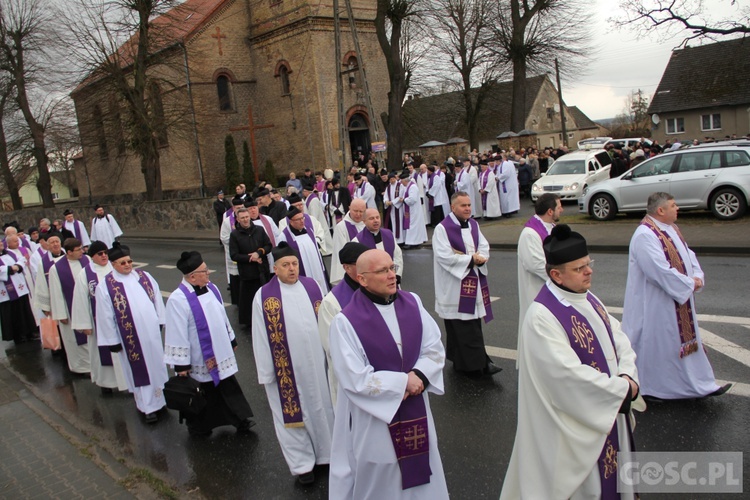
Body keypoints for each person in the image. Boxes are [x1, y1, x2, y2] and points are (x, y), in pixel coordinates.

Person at [500, 224, 644, 500]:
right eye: (579, 268)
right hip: (575, 428)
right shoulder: (542, 317)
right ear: (556, 275)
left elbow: (618, 338)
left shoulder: (587, 297)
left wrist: (627, 375)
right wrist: (622, 390)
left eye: (588, 264)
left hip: (608, 409)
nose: (589, 271)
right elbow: (567, 377)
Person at [329, 249, 449, 499]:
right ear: (362, 279)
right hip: (376, 420)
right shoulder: (346, 321)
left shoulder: (413, 302)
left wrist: (420, 376)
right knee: (384, 472)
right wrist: (404, 381)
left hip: (417, 405)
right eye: (383, 271)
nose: (392, 275)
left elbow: (434, 347)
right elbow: (354, 378)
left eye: (392, 268)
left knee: (425, 466)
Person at [622, 192, 730, 399]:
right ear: (660, 210)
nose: (677, 208)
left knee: (678, 343)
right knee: (661, 343)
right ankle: (655, 389)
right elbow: (657, 270)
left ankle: (696, 383)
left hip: (676, 299)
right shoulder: (645, 235)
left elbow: (689, 255)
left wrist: (697, 276)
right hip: (655, 303)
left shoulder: (671, 229)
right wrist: (689, 283)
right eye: (673, 205)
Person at [251, 242, 334, 485]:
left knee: (324, 409)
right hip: (287, 371)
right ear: (275, 268)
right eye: (285, 265)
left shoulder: (313, 286)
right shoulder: (265, 297)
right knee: (294, 418)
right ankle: (303, 465)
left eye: (294, 264)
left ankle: (328, 454)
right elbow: (259, 336)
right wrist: (267, 372)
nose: (292, 269)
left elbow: (328, 320)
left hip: (319, 366)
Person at [164, 251, 256, 436]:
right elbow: (176, 332)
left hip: (220, 352)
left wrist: (231, 339)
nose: (208, 273)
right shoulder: (178, 299)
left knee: (227, 386)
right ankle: (199, 426)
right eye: (204, 271)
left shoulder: (212, 288)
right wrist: (181, 364)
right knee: (202, 392)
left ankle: (240, 419)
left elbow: (222, 316)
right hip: (199, 357)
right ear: (192, 276)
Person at [96, 242, 168, 423]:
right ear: (113, 264)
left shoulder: (145, 277)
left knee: (157, 366)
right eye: (122, 263)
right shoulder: (106, 286)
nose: (127, 265)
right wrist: (112, 339)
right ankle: (147, 407)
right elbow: (104, 315)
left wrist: (160, 320)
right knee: (140, 370)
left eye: (129, 261)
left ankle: (162, 400)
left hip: (151, 333)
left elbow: (157, 298)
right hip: (129, 338)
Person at [433, 192, 499, 378]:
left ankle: (461, 361)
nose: (468, 208)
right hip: (454, 285)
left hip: (472, 281)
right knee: (462, 325)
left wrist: (481, 257)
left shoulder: (474, 225)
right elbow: (444, 256)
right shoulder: (442, 229)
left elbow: (484, 246)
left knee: (470, 323)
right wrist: (471, 260)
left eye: (469, 205)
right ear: (453, 207)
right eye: (463, 205)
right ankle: (477, 366)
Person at [71, 241, 128, 394]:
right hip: (98, 323)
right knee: (101, 354)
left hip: (119, 320)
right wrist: (84, 324)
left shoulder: (114, 268)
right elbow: (80, 300)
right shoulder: (85, 274)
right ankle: (106, 384)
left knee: (122, 352)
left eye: (105, 252)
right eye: (100, 253)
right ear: (92, 256)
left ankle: (126, 382)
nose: (104, 256)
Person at [317, 242, 368, 407]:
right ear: (347, 268)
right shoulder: (331, 303)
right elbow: (332, 346)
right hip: (352, 377)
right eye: (361, 263)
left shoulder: (376, 288)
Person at [516, 193, 562, 363]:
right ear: (550, 211)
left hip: (553, 288)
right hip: (536, 290)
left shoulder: (551, 227)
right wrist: (562, 275)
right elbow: (535, 264)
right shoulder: (530, 233)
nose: (562, 210)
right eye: (559, 207)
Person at [48, 238, 92, 374]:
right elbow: (56, 293)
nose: (82, 252)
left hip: (89, 307)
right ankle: (81, 368)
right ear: (69, 252)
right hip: (70, 310)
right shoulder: (56, 268)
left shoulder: (87, 260)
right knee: (75, 340)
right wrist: (61, 314)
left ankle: (96, 365)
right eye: (78, 249)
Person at [229, 207, 272, 328]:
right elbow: (234, 255)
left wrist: (259, 253)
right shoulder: (235, 235)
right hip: (247, 273)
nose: (245, 220)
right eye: (242, 218)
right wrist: (250, 258)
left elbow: (268, 245)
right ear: (238, 219)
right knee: (249, 299)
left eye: (247, 217)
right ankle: (250, 321)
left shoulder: (259, 229)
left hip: (262, 270)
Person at [279, 206, 329, 293]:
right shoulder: (284, 237)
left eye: (302, 218)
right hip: (301, 272)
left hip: (316, 269)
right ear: (291, 222)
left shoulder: (309, 230)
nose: (302, 221)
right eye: (298, 219)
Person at [0, 238, 38, 344]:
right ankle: (18, 335)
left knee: (24, 310)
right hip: (6, 292)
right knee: (13, 313)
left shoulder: (10, 253)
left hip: (20, 286)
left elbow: (22, 260)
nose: (0, 244)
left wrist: (17, 266)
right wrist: (10, 268)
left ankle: (30, 331)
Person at [352, 208, 403, 284]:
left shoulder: (389, 234)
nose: (376, 220)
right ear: (364, 221)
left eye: (377, 217)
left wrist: (397, 274)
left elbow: (397, 255)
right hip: (373, 282)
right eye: (371, 218)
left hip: (391, 277)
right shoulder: (357, 241)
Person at [329, 198, 366, 285]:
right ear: (349, 208)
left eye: (361, 211)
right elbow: (341, 251)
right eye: (355, 211)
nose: (358, 214)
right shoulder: (341, 227)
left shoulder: (367, 224)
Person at [220, 198, 245, 305]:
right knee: (236, 278)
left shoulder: (246, 218)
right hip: (234, 253)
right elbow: (224, 237)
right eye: (238, 208)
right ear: (233, 208)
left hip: (245, 253)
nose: (240, 210)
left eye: (242, 207)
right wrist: (236, 240)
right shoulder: (227, 221)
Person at [398, 172, 428, 249]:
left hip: (413, 210)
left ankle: (413, 242)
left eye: (402, 181)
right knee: (412, 225)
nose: (401, 183)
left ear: (405, 180)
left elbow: (412, 199)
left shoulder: (413, 187)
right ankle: (414, 241)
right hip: (411, 209)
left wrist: (403, 200)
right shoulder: (408, 186)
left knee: (412, 225)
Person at [383, 173, 404, 243]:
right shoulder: (388, 187)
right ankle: (395, 239)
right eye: (390, 179)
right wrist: (386, 201)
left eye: (393, 179)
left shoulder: (400, 185)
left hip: (398, 208)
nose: (392, 181)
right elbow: (385, 196)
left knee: (399, 223)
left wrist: (392, 202)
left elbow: (401, 196)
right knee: (393, 223)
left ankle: (401, 240)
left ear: (395, 178)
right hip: (391, 209)